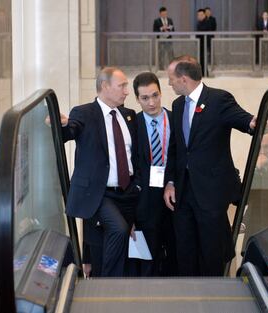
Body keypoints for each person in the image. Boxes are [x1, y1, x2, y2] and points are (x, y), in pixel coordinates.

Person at [163, 55, 256, 276]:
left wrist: (254, 122)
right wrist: (170, 182)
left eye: (171, 79)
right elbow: (175, 149)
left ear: (184, 79)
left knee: (211, 252)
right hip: (183, 193)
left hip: (210, 193)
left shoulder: (218, 99)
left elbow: (244, 120)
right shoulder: (177, 105)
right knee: (185, 250)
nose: (169, 84)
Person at [61, 67, 141, 277]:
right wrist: (61, 125)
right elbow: (70, 130)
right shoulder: (84, 112)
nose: (127, 91)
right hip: (100, 194)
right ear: (105, 87)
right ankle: (107, 284)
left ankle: (110, 286)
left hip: (128, 192)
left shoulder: (129, 115)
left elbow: (136, 155)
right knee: (118, 229)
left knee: (124, 244)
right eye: (122, 86)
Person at [131, 72, 177, 276]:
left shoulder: (176, 119)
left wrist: (173, 181)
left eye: (155, 95)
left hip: (174, 193)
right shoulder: (132, 124)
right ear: (137, 99)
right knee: (147, 255)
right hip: (145, 200)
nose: (151, 102)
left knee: (175, 252)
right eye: (145, 98)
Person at [196, 9, 211, 76]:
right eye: (198, 15)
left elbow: (203, 31)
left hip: (204, 44)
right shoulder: (199, 23)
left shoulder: (207, 22)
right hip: (200, 44)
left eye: (201, 15)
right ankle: (203, 73)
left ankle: (205, 73)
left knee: (204, 59)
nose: (199, 16)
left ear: (204, 15)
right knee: (201, 59)